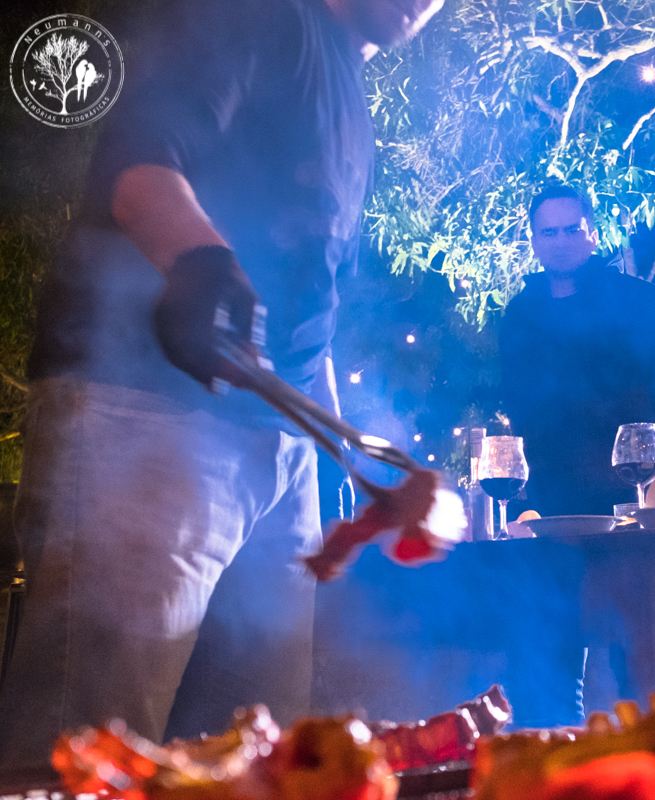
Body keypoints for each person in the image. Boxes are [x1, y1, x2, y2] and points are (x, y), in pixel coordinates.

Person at [0, 0, 443, 768]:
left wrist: (343, 458)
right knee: (89, 745)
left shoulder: (349, 83)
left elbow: (312, 300)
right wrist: (200, 263)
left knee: (263, 758)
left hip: (279, 452)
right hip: (145, 415)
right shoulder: (258, 14)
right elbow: (139, 168)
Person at [499, 184, 655, 517]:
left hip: (633, 495)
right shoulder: (521, 315)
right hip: (551, 502)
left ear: (592, 235)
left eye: (572, 230)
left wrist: (649, 453)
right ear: (534, 242)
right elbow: (517, 404)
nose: (561, 241)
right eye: (549, 232)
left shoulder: (641, 302)